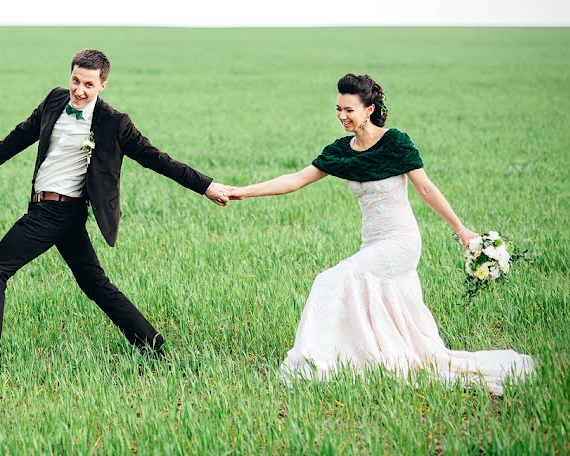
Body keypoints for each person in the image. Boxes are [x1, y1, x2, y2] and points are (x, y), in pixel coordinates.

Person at [228, 73, 534, 395]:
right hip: (371, 242)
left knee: (329, 281)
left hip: (400, 241)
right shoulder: (341, 151)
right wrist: (244, 191)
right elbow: (295, 180)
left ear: (369, 108)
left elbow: (426, 189)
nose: (342, 116)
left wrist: (461, 230)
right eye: (338, 109)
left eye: (349, 110)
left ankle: (309, 363)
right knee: (372, 302)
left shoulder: (395, 143)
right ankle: (369, 361)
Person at [0, 49, 229, 361]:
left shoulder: (114, 123)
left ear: (103, 85)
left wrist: (206, 186)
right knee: (96, 284)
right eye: (75, 80)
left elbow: (157, 159)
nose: (79, 90)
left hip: (56, 212)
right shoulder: (54, 100)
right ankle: (154, 346)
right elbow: (22, 133)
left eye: (88, 85)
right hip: (54, 212)